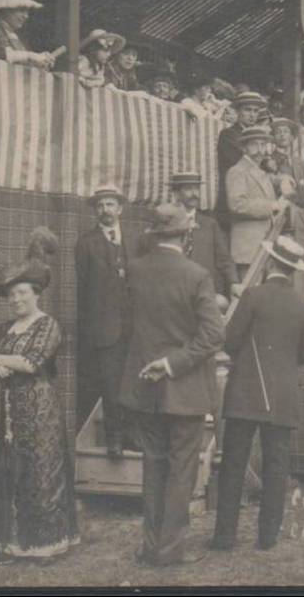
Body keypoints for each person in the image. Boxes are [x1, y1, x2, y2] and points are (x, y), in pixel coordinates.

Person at [119, 203, 225, 566]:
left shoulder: (134, 271)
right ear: (185, 234)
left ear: (154, 234)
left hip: (145, 386)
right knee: (181, 471)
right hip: (185, 388)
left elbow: (127, 325)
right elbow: (214, 334)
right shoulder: (197, 275)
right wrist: (172, 363)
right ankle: (169, 550)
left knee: (154, 467)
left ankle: (150, 546)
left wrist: (154, 362)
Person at [0, 229, 80, 561]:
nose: (16, 300)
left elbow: (33, 361)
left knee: (41, 471)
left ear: (36, 294)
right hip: (10, 409)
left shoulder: (47, 325)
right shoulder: (6, 329)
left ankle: (47, 543)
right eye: (11, 295)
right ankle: (17, 542)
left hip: (40, 409)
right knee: (14, 471)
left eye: (22, 293)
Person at [211, 236, 304, 551]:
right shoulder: (303, 305)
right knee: (276, 466)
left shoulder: (253, 296)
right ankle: (267, 537)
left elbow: (229, 342)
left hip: (245, 392)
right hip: (283, 396)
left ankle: (225, 537)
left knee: (233, 463)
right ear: (294, 270)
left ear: (269, 263)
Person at [74, 185, 136, 456]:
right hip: (104, 329)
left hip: (134, 326)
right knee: (111, 385)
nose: (105, 210)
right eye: (100, 206)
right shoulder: (86, 243)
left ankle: (134, 435)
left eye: (110, 204)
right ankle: (115, 439)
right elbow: (84, 289)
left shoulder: (135, 241)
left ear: (120, 209)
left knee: (134, 382)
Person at [167, 171, 242, 310]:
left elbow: (224, 258)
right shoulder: (166, 223)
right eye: (188, 189)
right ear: (176, 194)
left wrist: (234, 282)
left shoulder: (209, 224)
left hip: (204, 292)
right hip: (174, 291)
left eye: (196, 188)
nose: (194, 193)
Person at [226, 125, 287, 278]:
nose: (260, 150)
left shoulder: (261, 172)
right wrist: (272, 206)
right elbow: (237, 205)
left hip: (264, 245)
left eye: (263, 144)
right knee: (249, 295)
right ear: (244, 147)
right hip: (248, 249)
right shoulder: (237, 171)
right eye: (254, 144)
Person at [216, 91, 266, 231]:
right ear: (238, 111)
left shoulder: (256, 138)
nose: (252, 115)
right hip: (232, 200)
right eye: (247, 110)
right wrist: (267, 163)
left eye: (256, 111)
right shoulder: (228, 135)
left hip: (252, 201)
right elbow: (247, 161)